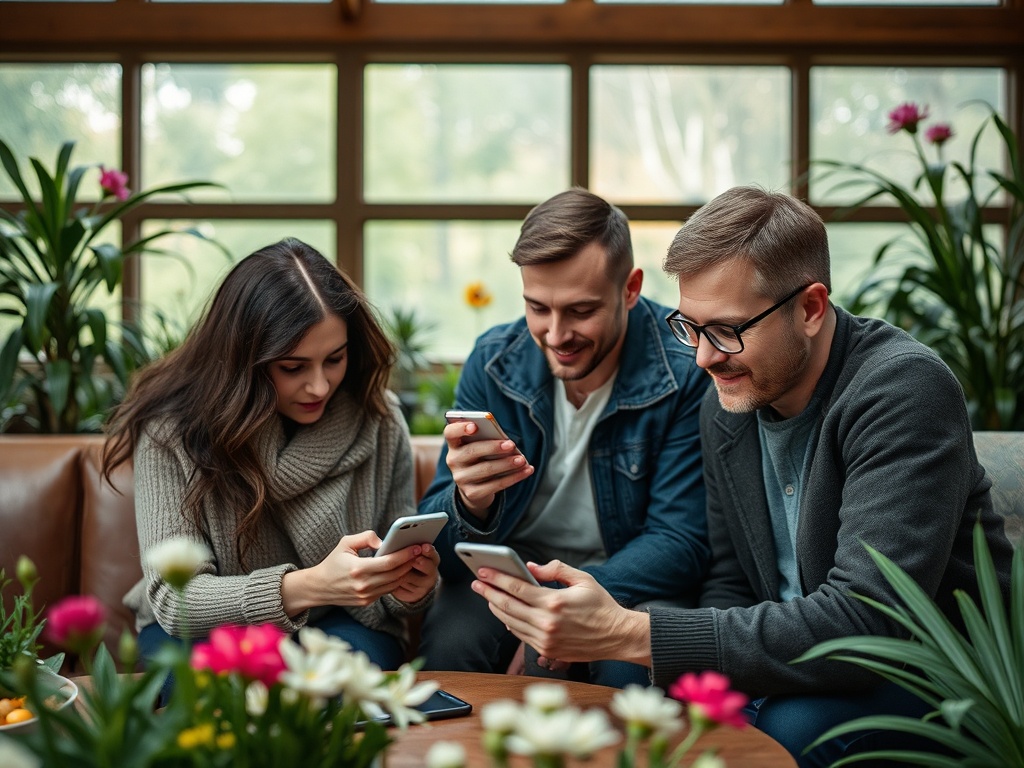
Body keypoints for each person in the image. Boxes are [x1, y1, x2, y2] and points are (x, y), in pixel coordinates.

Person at [465, 186, 1014, 765]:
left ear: (810, 307)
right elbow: (731, 584)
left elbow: (866, 621)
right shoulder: (730, 400)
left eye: (726, 330)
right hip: (797, 665)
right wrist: (627, 644)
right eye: (690, 328)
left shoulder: (901, 391)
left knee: (785, 725)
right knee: (626, 690)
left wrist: (630, 633)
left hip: (936, 680)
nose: (703, 358)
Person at [417, 188, 710, 688]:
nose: (555, 334)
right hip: (513, 574)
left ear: (631, 288)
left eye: (580, 311)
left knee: (626, 668)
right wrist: (470, 503)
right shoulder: (492, 362)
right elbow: (442, 550)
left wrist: (560, 611)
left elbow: (681, 541)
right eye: (538, 308)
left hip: (631, 579)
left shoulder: (686, 369)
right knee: (451, 638)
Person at [104, 238, 439, 674]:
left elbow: (393, 575)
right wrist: (311, 585)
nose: (319, 386)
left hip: (342, 625)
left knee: (344, 702)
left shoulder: (379, 417)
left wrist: (407, 584)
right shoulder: (174, 431)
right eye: (292, 367)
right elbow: (176, 600)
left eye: (334, 359)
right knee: (216, 707)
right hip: (203, 632)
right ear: (242, 362)